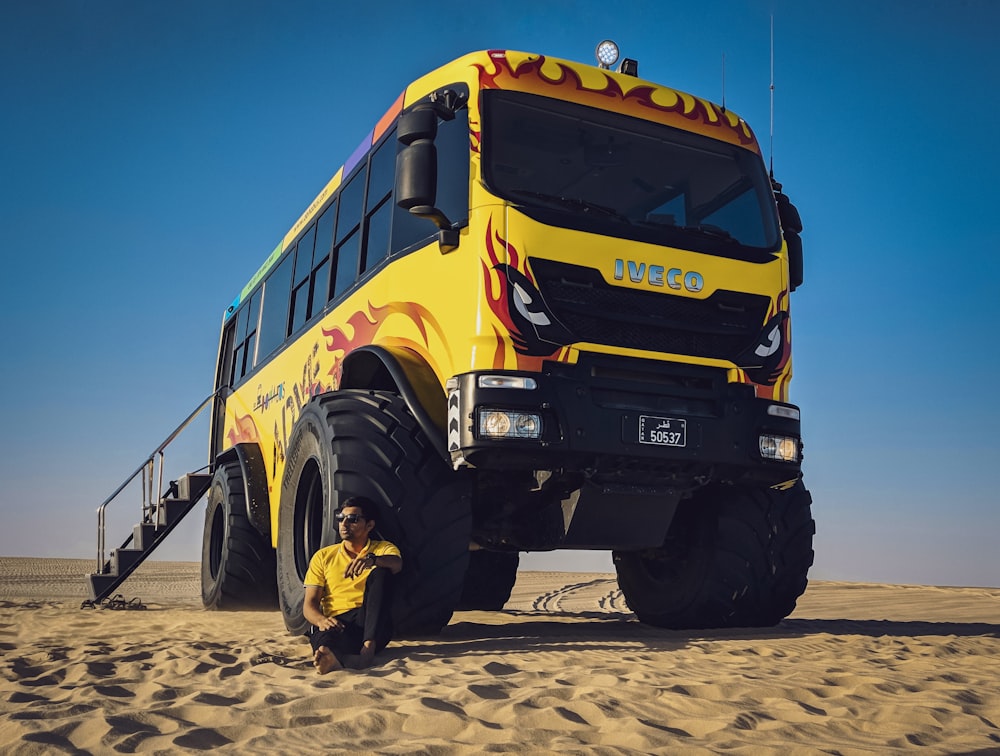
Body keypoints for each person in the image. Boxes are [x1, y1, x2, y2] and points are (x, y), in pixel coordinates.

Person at [302, 496, 402, 673]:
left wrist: (373, 560)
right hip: (339, 621)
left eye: (353, 519)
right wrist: (321, 620)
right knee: (324, 634)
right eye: (341, 518)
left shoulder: (382, 549)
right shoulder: (323, 556)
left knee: (382, 573)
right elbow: (309, 604)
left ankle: (367, 650)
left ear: (369, 525)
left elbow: (396, 564)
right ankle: (331, 657)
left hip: (372, 622)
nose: (344, 523)